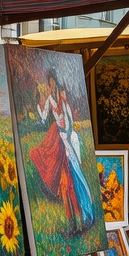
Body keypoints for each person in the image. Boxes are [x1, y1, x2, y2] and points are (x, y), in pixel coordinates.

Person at [32, 72, 95, 231]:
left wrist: (64, 138)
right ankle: (73, 225)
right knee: (64, 186)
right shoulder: (51, 100)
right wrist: (40, 102)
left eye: (54, 85)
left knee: (72, 184)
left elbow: (69, 124)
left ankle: (82, 220)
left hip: (67, 142)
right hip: (58, 142)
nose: (52, 88)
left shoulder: (63, 101)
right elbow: (43, 117)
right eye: (50, 85)